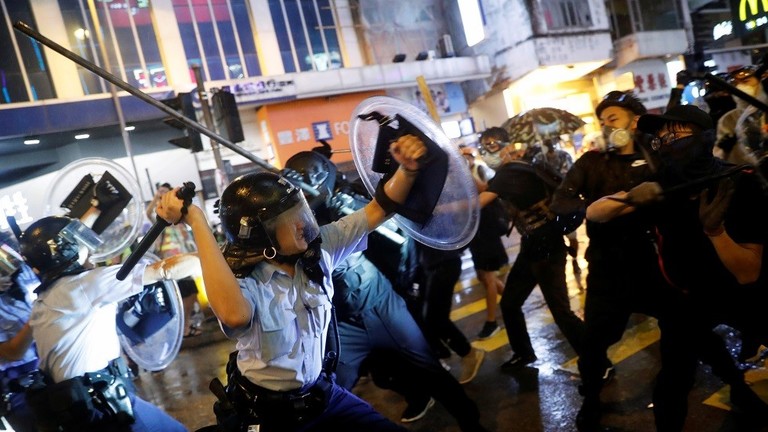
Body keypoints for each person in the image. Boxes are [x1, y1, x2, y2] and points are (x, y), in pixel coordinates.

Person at [156, 135, 428, 431]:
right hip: (268, 414)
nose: (303, 223)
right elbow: (234, 315)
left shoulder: (321, 248)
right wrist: (196, 220)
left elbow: (378, 209)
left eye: (300, 211)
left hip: (323, 396)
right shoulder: (244, 282)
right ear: (263, 238)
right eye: (289, 219)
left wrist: (407, 170)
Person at [283, 150, 488, 431]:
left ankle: (472, 424)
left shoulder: (345, 198)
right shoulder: (292, 220)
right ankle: (417, 397)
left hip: (382, 303)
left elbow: (394, 229)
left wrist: (345, 206)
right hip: (342, 319)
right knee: (330, 388)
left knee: (429, 367)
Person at [593, 104, 768, 430]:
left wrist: (716, 232)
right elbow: (595, 213)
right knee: (671, 386)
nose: (667, 143)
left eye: (677, 135)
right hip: (687, 298)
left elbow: (748, 273)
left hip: (740, 296)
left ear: (705, 137)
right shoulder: (660, 185)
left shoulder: (739, 182)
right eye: (661, 139)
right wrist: (630, 197)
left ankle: (743, 395)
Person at [549, 90, 676, 431]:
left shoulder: (656, 157)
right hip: (607, 270)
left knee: (687, 329)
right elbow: (560, 204)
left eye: (614, 118)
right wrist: (595, 208)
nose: (607, 126)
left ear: (635, 122)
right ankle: (590, 400)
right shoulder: (590, 163)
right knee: (593, 347)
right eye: (602, 120)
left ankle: (731, 385)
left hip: (654, 264)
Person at [19, 215, 199, 431]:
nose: (86, 245)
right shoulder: (85, 284)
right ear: (63, 250)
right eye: (76, 240)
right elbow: (166, 269)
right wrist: (217, 256)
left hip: (77, 411)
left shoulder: (44, 299)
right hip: (104, 409)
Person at [477, 138, 585, 371]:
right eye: (483, 149)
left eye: (492, 147)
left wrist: (441, 213)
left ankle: (598, 361)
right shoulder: (519, 168)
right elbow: (485, 189)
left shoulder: (508, 173)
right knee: (510, 303)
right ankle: (523, 354)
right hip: (533, 245)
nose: (487, 153)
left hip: (546, 246)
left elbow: (477, 203)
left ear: (507, 147)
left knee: (561, 311)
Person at [462, 141, 508, 339]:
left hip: (487, 229)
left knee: (488, 277)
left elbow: (486, 189)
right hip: (476, 232)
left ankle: (491, 322)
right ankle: (512, 301)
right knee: (482, 276)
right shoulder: (458, 175)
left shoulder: (481, 170)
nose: (464, 159)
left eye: (466, 156)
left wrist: (465, 172)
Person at [146, 183, 203, 338]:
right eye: (161, 192)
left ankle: (185, 327)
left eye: (166, 192)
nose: (162, 194)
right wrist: (156, 198)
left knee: (191, 295)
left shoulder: (178, 217)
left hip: (184, 262)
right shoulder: (160, 218)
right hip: (171, 265)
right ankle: (183, 328)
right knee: (185, 296)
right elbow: (148, 213)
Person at [0, 241, 38, 432]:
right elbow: (13, 352)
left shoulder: (22, 273)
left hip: (60, 368)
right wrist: (40, 314)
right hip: (24, 389)